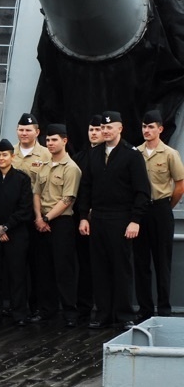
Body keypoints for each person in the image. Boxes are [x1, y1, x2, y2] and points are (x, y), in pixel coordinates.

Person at [78, 111, 151, 330]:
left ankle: (124, 314)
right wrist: (83, 216)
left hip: (121, 217)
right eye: (102, 128)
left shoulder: (131, 155)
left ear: (120, 128)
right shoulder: (94, 155)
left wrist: (135, 219)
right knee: (99, 267)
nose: (105, 131)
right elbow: (86, 188)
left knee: (122, 267)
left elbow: (142, 191)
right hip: (98, 217)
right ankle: (103, 314)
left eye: (110, 127)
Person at [135, 110, 184, 321]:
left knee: (162, 261)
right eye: (144, 127)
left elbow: (180, 185)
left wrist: (166, 206)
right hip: (140, 211)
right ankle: (145, 309)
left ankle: (164, 308)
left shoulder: (170, 154)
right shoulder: (135, 153)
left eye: (151, 127)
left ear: (160, 129)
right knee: (141, 262)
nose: (147, 130)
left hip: (161, 209)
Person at [32, 123, 81, 327]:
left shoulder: (72, 168)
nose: (50, 143)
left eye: (54, 140)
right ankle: (47, 310)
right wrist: (38, 217)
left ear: (65, 141)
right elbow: (36, 192)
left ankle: (70, 312)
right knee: (44, 269)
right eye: (48, 140)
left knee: (64, 268)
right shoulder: (43, 165)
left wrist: (47, 219)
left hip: (61, 222)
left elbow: (68, 198)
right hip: (41, 221)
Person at [0, 139, 31, 326]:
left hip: (15, 234)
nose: (1, 158)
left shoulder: (22, 179)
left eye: (4, 155)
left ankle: (19, 313)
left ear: (12, 156)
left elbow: (24, 208)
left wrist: (7, 227)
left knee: (17, 274)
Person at [13, 113, 51, 320]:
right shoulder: (10, 154)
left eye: (28, 130)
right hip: (16, 218)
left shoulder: (46, 154)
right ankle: (17, 305)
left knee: (39, 265)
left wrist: (43, 217)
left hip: (38, 217)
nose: (24, 133)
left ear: (37, 132)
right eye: (20, 129)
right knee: (17, 264)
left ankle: (38, 306)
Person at [71, 114, 104, 321]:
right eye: (91, 130)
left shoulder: (110, 156)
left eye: (98, 129)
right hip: (80, 216)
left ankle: (103, 306)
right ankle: (83, 306)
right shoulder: (80, 157)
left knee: (103, 262)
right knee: (84, 263)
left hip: (103, 216)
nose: (93, 133)